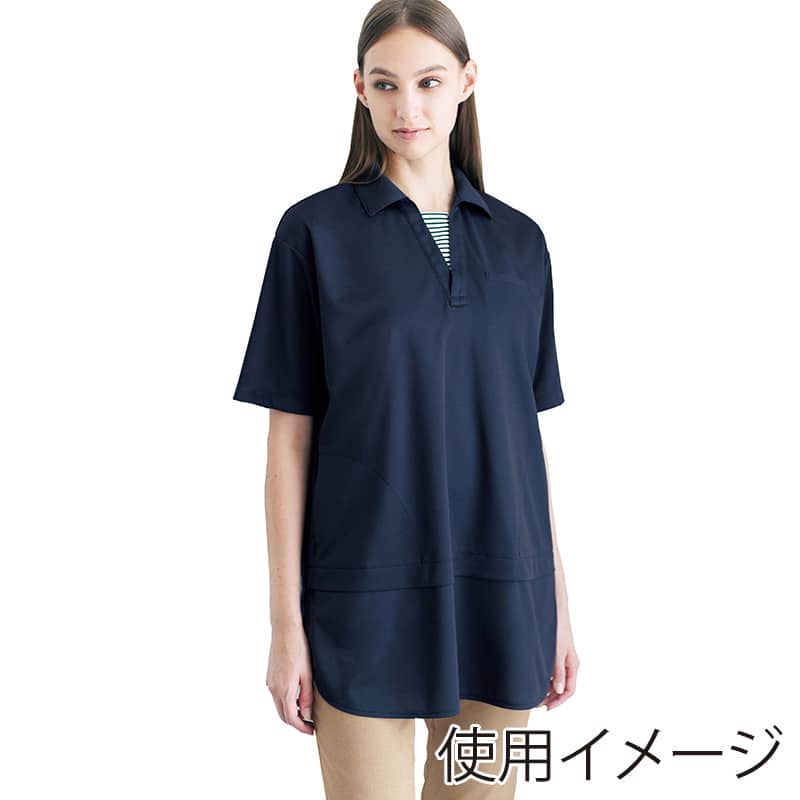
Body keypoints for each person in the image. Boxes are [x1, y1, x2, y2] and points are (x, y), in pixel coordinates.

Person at [232, 1, 579, 796]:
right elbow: (289, 440)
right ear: (359, 89)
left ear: (467, 81)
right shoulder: (314, 234)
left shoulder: (521, 243)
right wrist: (285, 626)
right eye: (385, 84)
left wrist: (557, 605)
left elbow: (523, 442)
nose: (408, 107)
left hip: (504, 591)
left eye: (428, 82)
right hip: (364, 591)